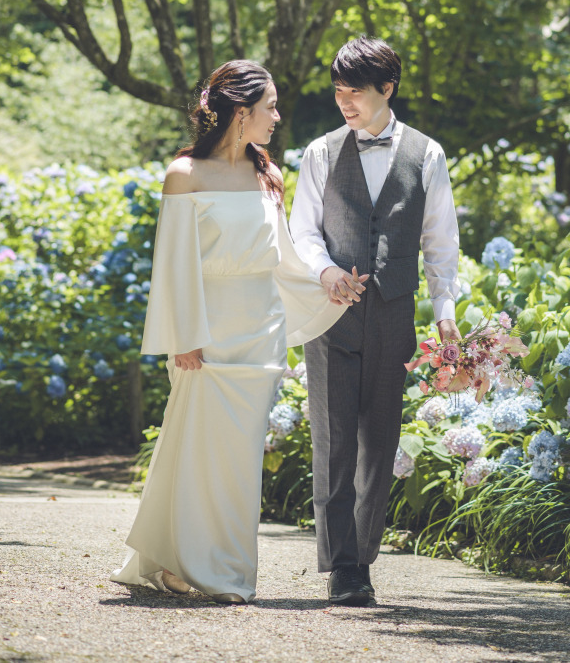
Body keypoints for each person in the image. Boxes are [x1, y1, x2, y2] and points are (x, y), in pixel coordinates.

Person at [111, 60, 346, 603]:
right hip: (206, 333)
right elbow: (173, 264)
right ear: (241, 114)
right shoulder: (184, 174)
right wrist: (183, 335)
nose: (277, 117)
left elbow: (283, 260)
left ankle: (222, 568)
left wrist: (327, 285)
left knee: (240, 462)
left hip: (259, 334)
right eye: (270, 108)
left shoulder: (269, 176)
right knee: (195, 449)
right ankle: (185, 564)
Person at [289, 36, 461, 607]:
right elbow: (303, 232)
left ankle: (362, 556)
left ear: (387, 89)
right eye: (338, 90)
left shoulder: (428, 154)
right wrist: (324, 272)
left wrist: (446, 313)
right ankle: (343, 567)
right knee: (334, 440)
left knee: (378, 442)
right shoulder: (318, 153)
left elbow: (440, 243)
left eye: (354, 91)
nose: (344, 101)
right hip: (330, 314)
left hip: (394, 314)